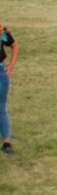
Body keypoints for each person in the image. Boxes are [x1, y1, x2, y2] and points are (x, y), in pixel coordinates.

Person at [0, 19, 16, 154]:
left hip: (0, 73)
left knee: (1, 107)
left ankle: (6, 141)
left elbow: (14, 45)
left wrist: (11, 65)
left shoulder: (0, 30)